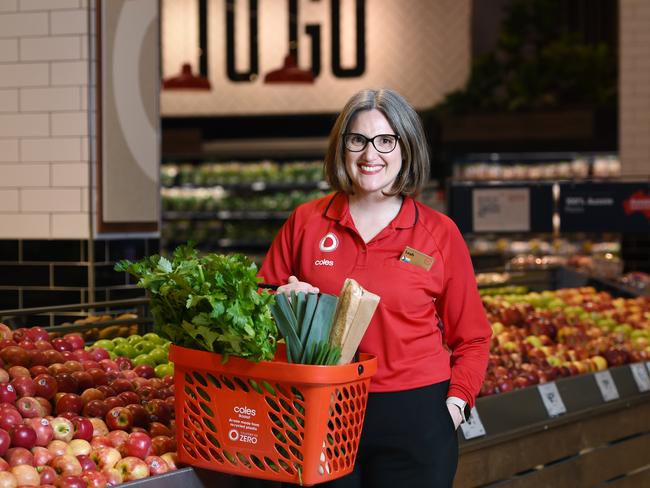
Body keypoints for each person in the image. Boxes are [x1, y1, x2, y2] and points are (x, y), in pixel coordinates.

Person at [259, 88, 491, 488]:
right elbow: (260, 302)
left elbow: (472, 337)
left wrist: (453, 407)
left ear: (407, 147)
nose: (371, 155)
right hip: (321, 410)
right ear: (342, 147)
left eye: (386, 140)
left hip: (415, 413)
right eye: (358, 140)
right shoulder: (306, 222)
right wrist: (280, 302)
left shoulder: (438, 233)